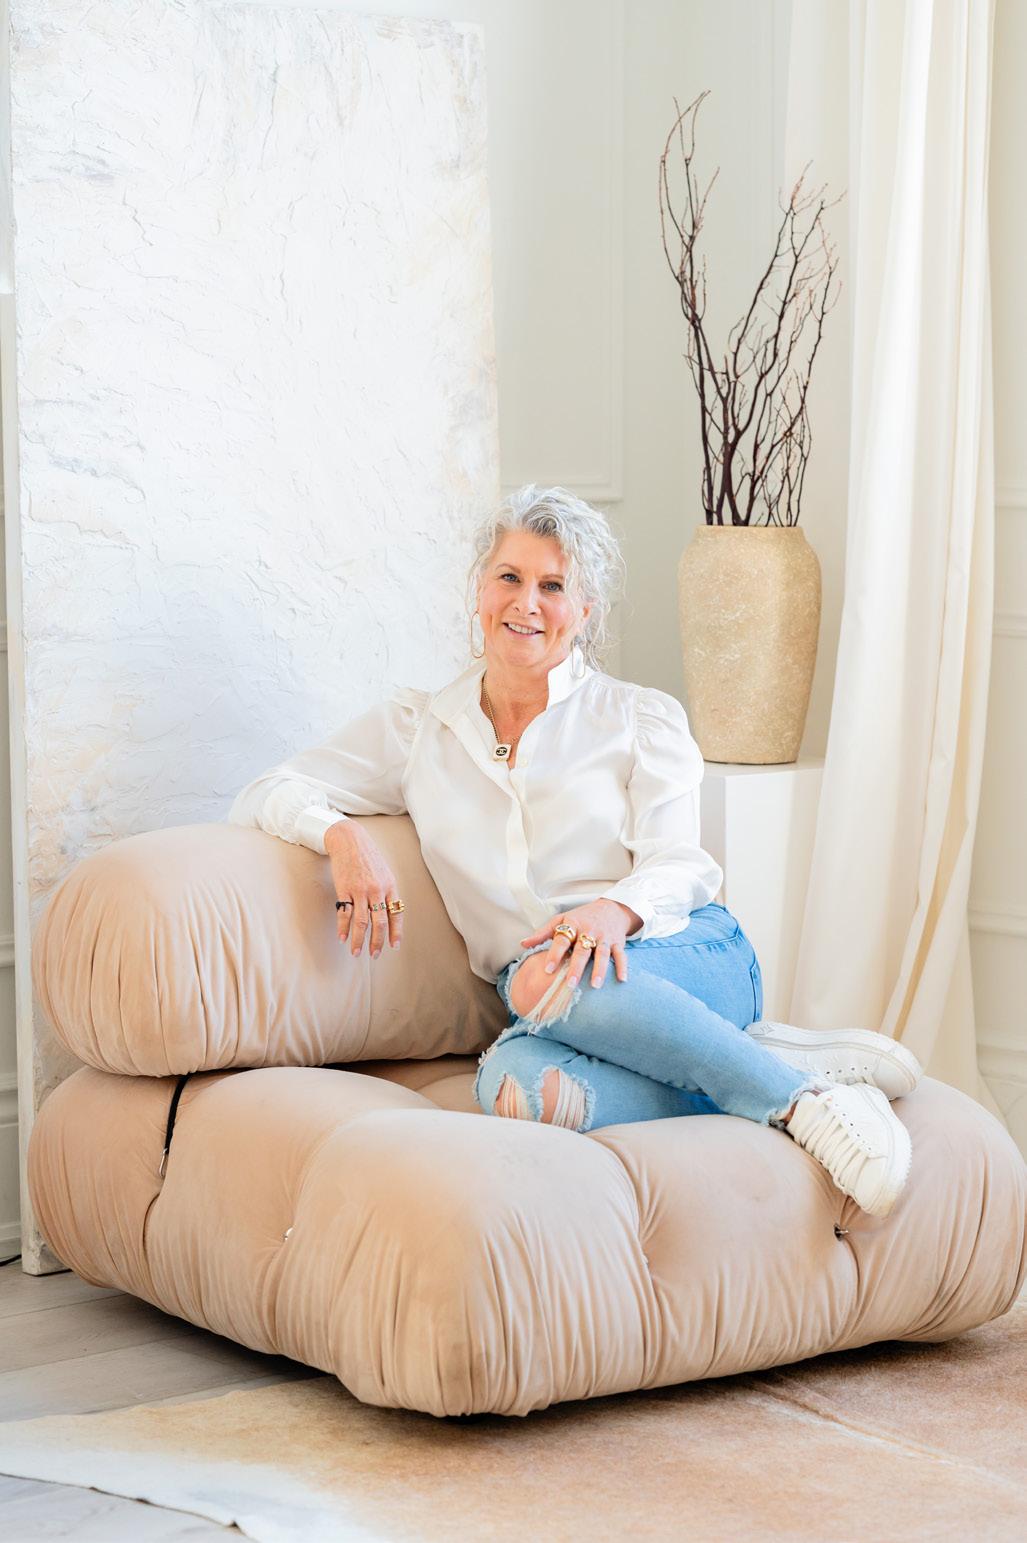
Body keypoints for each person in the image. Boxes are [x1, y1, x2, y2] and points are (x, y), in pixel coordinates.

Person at [230, 485, 921, 1218]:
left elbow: (683, 865)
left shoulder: (636, 718)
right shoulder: (417, 730)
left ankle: (803, 1103)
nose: (526, 603)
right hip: (542, 996)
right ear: (479, 590)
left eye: (553, 586)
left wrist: (610, 911)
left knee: (543, 978)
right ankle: (753, 1058)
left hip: (683, 955)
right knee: (515, 1085)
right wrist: (342, 836)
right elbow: (269, 790)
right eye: (509, 577)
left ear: (584, 611)